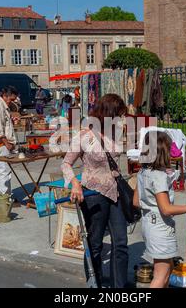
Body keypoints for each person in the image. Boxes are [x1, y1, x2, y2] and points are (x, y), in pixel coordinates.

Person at [61, 93, 128, 288]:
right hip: (93, 194)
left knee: (121, 243)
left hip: (115, 192)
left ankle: (119, 289)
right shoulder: (83, 135)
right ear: (107, 114)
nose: (121, 119)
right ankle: (95, 284)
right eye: (118, 115)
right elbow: (66, 163)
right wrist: (74, 183)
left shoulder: (116, 132)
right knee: (95, 244)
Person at [133, 131, 186, 288]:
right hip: (160, 228)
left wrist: (150, 202)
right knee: (161, 276)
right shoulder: (158, 176)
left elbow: (136, 201)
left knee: (167, 271)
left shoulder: (142, 172)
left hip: (148, 224)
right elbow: (166, 209)